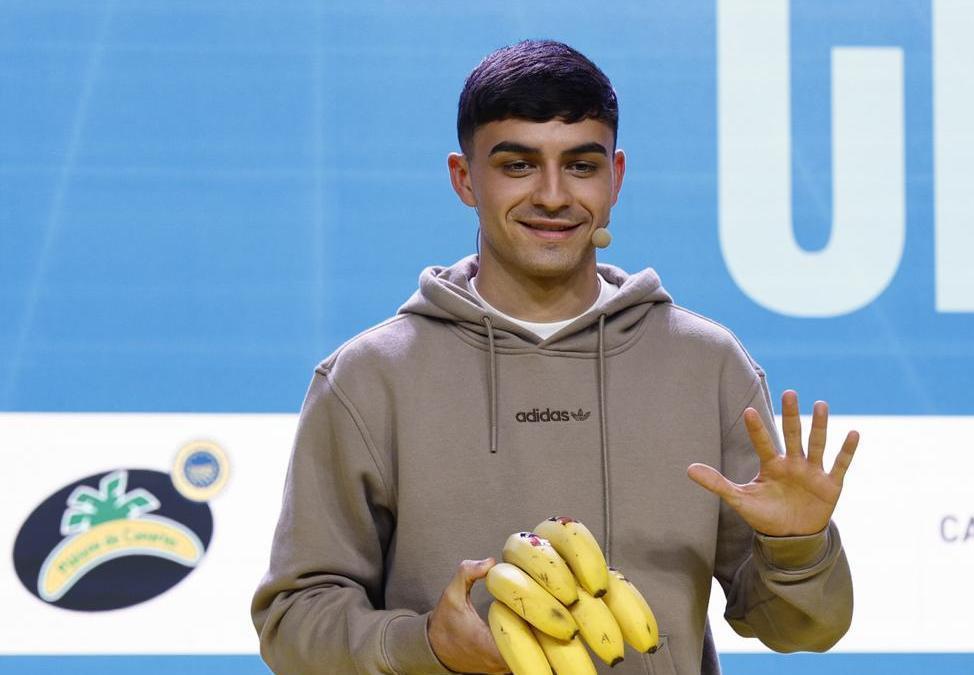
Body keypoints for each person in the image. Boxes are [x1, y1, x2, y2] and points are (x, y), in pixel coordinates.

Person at [252, 39, 858, 674]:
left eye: (580, 165)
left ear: (616, 177)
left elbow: (802, 631)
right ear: (464, 179)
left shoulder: (707, 364)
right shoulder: (369, 376)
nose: (551, 195)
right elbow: (293, 623)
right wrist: (426, 645)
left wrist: (797, 546)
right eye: (516, 165)